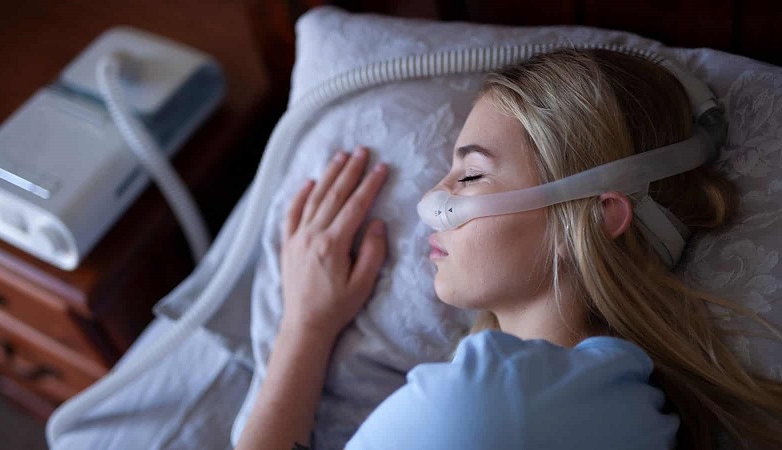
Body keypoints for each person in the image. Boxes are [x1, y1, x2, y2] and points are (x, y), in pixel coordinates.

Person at [234, 49, 782, 450]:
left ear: (598, 218)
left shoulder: (484, 399)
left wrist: (304, 326)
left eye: (471, 175)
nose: (431, 201)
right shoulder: (635, 405)